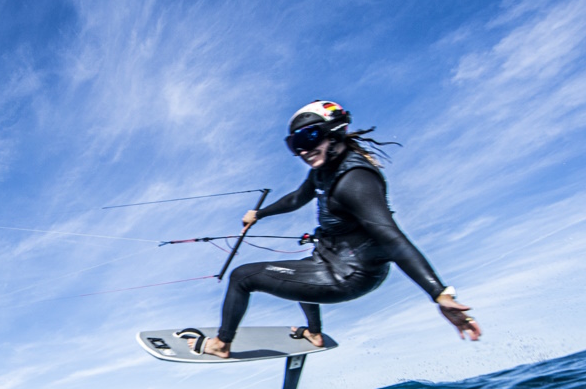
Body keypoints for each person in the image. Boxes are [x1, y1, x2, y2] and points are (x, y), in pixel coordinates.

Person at [188, 100, 481, 358]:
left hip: (348, 275)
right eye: (294, 144)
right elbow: (296, 198)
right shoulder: (323, 170)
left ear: (335, 131)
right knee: (299, 269)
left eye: (309, 136)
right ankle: (314, 334)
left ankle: (221, 345)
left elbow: (392, 239)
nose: (303, 149)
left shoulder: (354, 181)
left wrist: (438, 293)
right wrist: (259, 214)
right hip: (331, 260)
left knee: (242, 276)